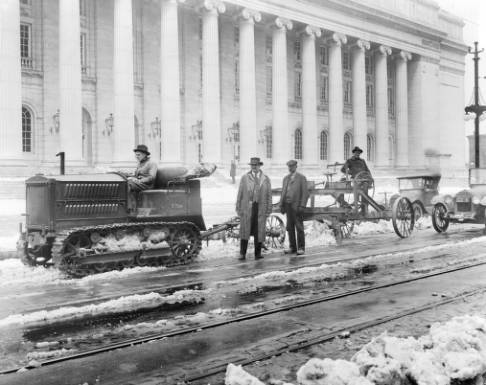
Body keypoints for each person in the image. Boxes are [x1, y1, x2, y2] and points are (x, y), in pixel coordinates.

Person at [235, 157, 272, 260]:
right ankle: (242, 253)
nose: (254, 167)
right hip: (247, 208)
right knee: (245, 230)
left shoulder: (265, 178)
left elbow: (269, 195)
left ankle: (258, 253)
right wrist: (238, 206)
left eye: (256, 165)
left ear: (259, 166)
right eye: (252, 165)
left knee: (259, 231)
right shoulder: (245, 178)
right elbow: (240, 193)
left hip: (260, 208)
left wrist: (269, 208)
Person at [279, 160, 309, 255]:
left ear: (296, 167)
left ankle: (301, 248)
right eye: (289, 166)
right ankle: (292, 247)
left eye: (292, 166)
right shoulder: (286, 179)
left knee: (299, 227)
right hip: (288, 206)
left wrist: (302, 206)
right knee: (289, 227)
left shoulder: (301, 178)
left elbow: (305, 194)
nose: (290, 168)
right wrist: (282, 205)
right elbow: (283, 192)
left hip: (297, 206)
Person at [337, 146, 372, 212]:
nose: (357, 154)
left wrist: (370, 178)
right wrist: (351, 172)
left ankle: (364, 209)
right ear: (354, 153)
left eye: (359, 153)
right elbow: (343, 169)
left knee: (365, 185)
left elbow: (367, 170)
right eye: (356, 153)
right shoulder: (350, 161)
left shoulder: (362, 161)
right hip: (355, 179)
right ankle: (352, 204)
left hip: (364, 179)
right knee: (357, 185)